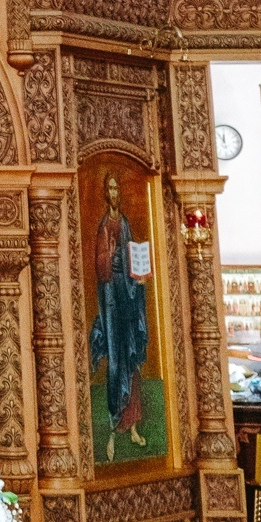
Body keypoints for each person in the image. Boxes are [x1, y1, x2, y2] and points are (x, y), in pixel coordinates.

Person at [88, 171, 150, 461]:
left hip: (127, 297)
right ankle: (113, 429)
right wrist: (109, 257)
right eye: (109, 188)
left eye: (117, 188)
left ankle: (133, 424)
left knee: (131, 358)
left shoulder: (123, 223)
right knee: (116, 361)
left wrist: (139, 278)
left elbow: (134, 258)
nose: (114, 193)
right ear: (105, 192)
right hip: (111, 299)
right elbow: (101, 266)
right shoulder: (104, 226)